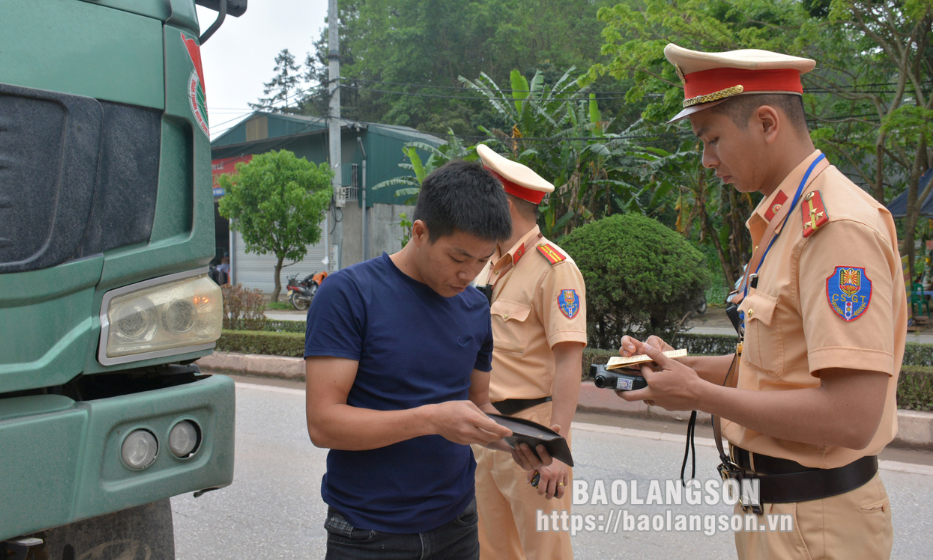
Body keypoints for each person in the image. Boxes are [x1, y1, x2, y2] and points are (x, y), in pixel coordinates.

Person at [619, 44, 906, 560]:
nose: (706, 160)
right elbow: (773, 368)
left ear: (768, 122)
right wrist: (674, 369)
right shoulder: (786, 219)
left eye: (712, 139)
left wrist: (700, 396)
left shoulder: (834, 228)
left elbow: (851, 415)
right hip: (776, 509)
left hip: (817, 520)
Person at [304, 159, 553, 560]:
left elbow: (478, 404)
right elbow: (324, 423)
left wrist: (519, 442)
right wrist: (432, 419)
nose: (468, 274)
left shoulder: (474, 307)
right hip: (369, 531)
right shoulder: (348, 294)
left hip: (456, 523)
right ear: (419, 232)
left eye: (481, 260)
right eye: (458, 258)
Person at [472, 144, 587, 560]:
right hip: (488, 431)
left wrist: (555, 447)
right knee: (491, 549)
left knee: (544, 551)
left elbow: (569, 358)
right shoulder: (487, 265)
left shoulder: (554, 268)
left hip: (534, 433)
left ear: (502, 205)